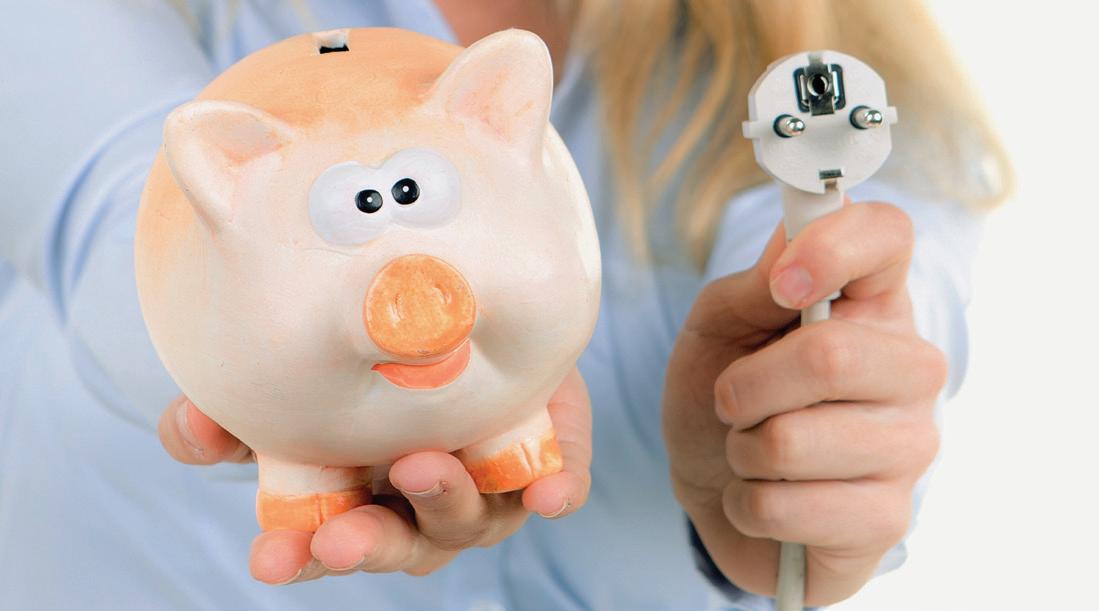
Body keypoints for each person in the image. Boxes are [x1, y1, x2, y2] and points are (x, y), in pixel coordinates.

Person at [0, 1, 1010, 609]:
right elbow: (113, 212)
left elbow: (884, 295)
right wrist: (275, 382)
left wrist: (802, 442)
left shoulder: (830, 87)